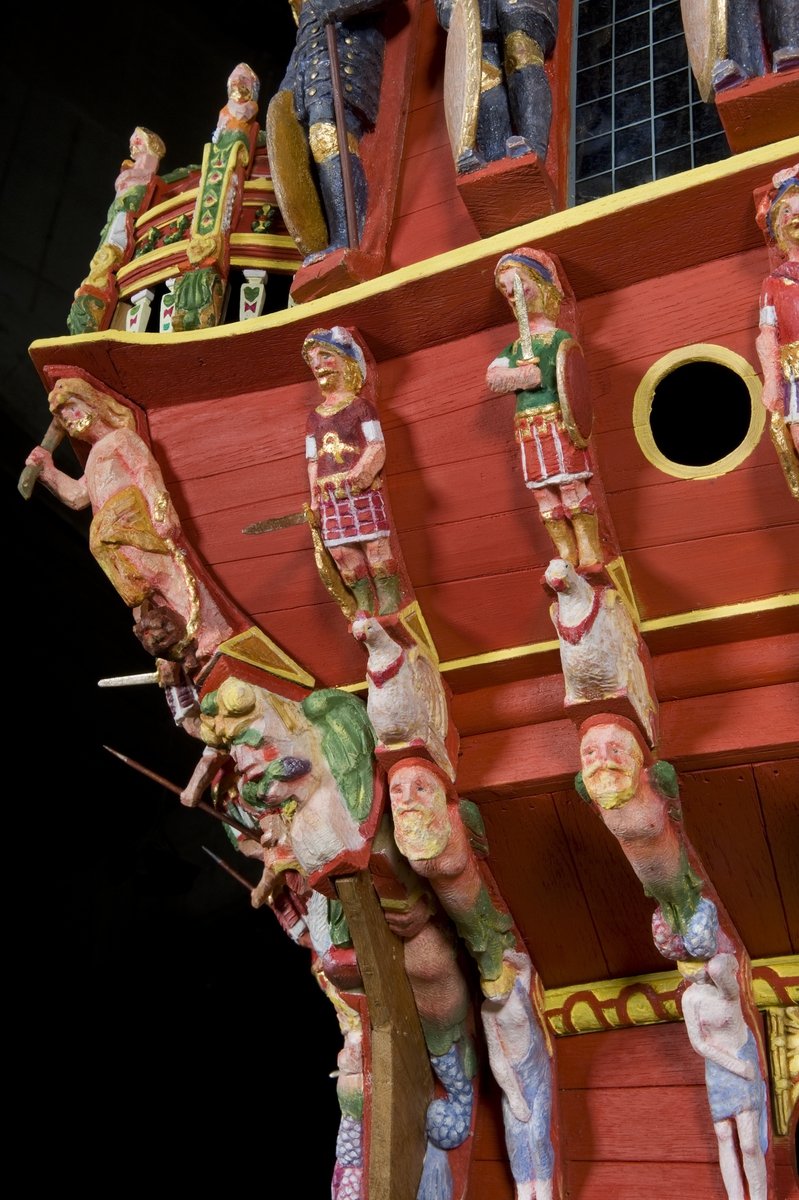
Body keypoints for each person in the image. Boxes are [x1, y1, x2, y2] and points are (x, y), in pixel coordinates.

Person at [25, 376, 231, 664]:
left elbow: (146, 472)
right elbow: (78, 497)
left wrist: (162, 511)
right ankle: (188, 643)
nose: (68, 419)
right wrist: (48, 472)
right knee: (152, 591)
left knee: (169, 575)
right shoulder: (94, 456)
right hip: (115, 539)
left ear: (93, 404)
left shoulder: (121, 439)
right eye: (61, 416)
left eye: (71, 408)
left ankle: (212, 633)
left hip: (136, 524)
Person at [486, 248, 601, 569]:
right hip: (529, 428)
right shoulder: (514, 349)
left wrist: (532, 376)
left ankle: (589, 549)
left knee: (570, 485)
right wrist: (520, 376)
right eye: (506, 290)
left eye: (518, 285)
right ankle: (565, 553)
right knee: (542, 494)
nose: (512, 295)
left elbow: (568, 375)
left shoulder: (556, 339)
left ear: (541, 285)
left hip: (558, 423)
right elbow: (493, 377)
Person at [303, 326, 400, 614]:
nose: (318, 365)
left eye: (325, 356)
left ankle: (389, 598)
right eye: (313, 360)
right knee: (341, 552)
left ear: (346, 362)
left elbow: (376, 444)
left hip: (358, 487)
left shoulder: (360, 407)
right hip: (329, 493)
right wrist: (314, 498)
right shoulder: (314, 419)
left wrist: (364, 471)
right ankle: (364, 602)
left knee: (375, 545)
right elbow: (312, 460)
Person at [680, 954, 769, 1200]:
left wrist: (719, 961)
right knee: (724, 1134)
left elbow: (722, 967)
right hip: (720, 1068)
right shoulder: (690, 998)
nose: (693, 971)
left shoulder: (726, 988)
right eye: (686, 966)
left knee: (749, 1143)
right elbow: (699, 1044)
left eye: (697, 963)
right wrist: (736, 1067)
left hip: (741, 1054)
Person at [435, 0, 558, 171]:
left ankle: (533, 149)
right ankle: (496, 164)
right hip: (479, 9)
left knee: (520, 50)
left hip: (521, 6)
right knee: (482, 76)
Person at [756, 167, 799, 460]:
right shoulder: (774, 283)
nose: (795, 217)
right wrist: (771, 381)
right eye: (787, 211)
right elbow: (768, 334)